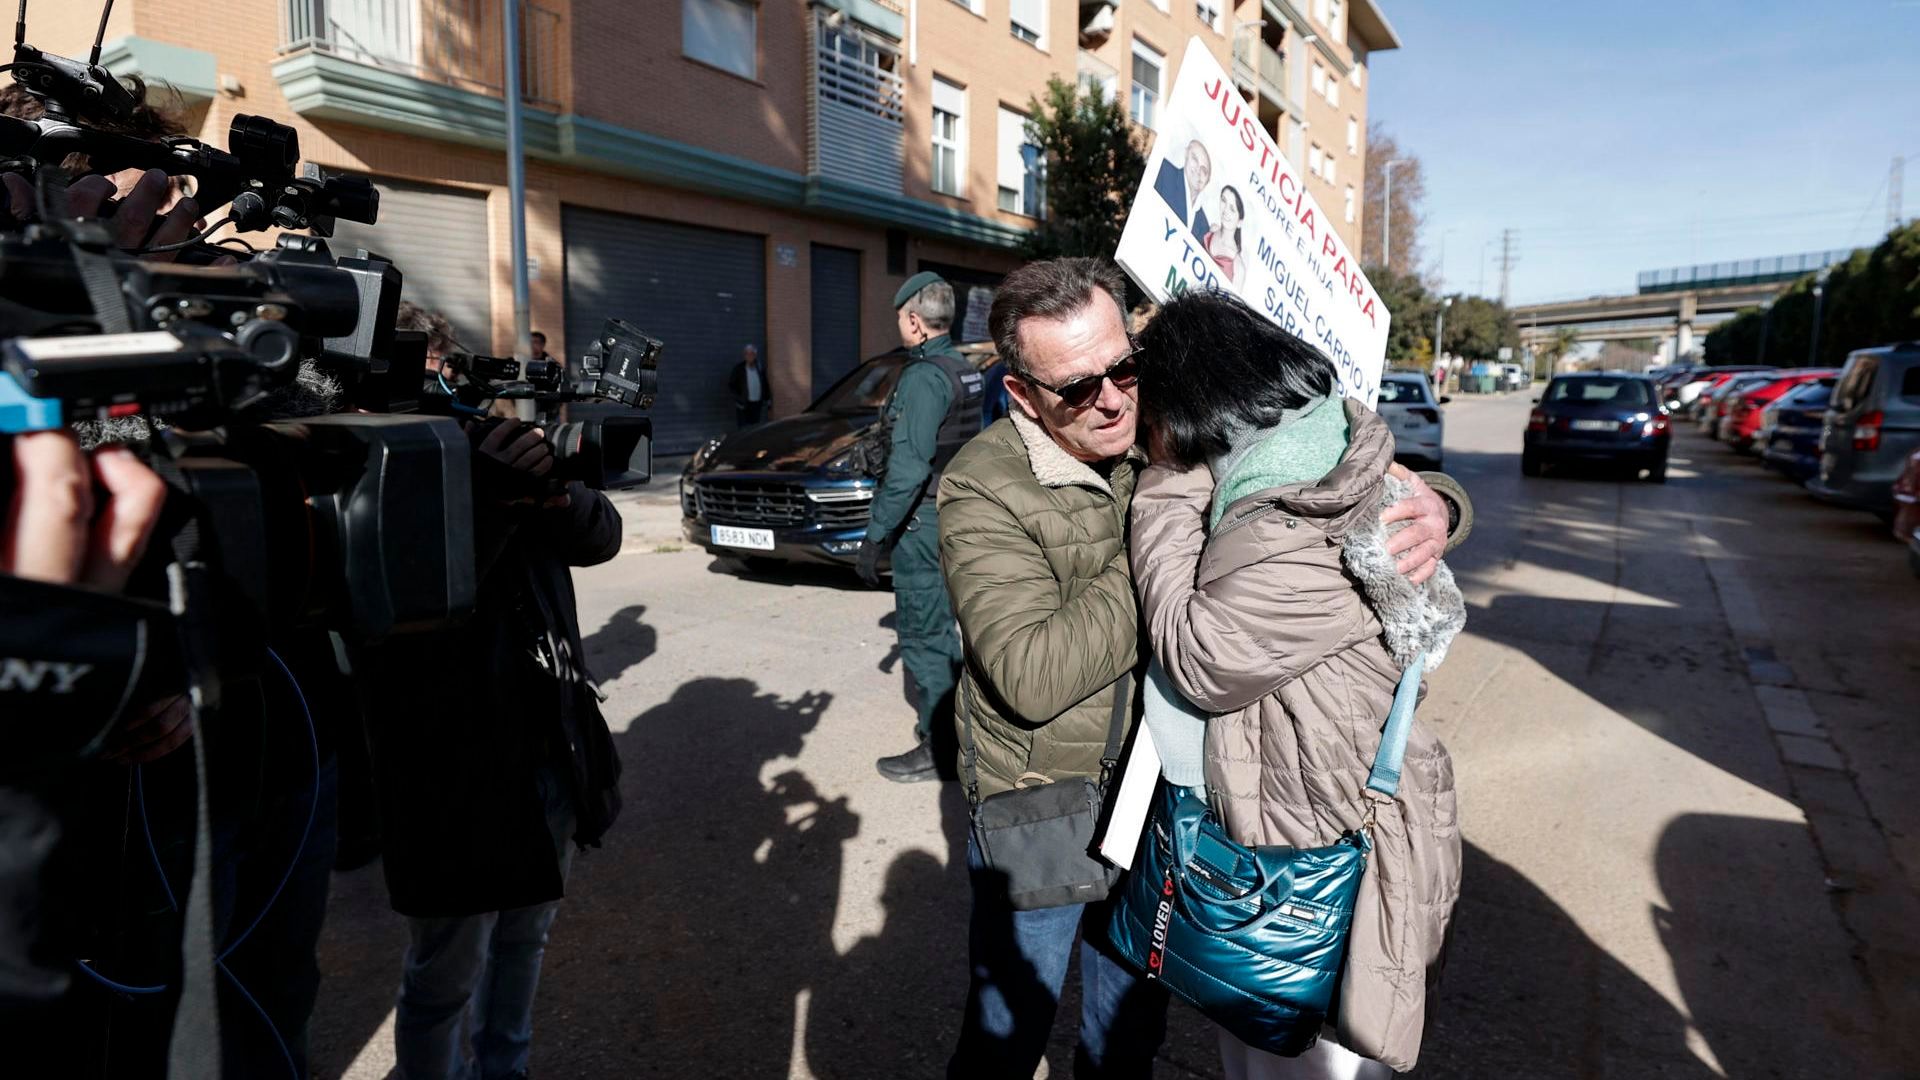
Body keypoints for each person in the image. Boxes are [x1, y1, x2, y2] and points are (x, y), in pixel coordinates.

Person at [936, 257, 1452, 1077]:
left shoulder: (1165, 421)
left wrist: (1439, 501)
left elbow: (1315, 449)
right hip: (1045, 805)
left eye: (1123, 368)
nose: (1111, 400)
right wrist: (1162, 538)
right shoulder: (981, 486)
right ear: (1021, 394)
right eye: (1076, 388)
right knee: (1009, 1032)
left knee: (1127, 1036)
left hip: (1161, 805)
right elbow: (1028, 674)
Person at [1128, 289, 1465, 1078]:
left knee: (1308, 1058)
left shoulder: (1296, 520)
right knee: (1266, 1046)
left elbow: (1201, 656)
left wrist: (1167, 486)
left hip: (1318, 844)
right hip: (1299, 808)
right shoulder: (1305, 458)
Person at [351, 413, 624, 1080]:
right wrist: (484, 494)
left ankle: (505, 1070)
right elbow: (396, 600)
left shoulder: (517, 460)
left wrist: (555, 488)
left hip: (550, 740)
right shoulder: (377, 460)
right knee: (446, 972)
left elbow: (601, 537)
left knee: (525, 940)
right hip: (451, 766)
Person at [862, 272, 980, 783]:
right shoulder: (964, 369)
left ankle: (940, 749)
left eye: (899, 320)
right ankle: (956, 731)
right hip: (954, 512)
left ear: (914, 321)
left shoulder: (925, 376)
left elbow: (910, 467)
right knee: (948, 633)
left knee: (925, 632)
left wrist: (874, 534)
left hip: (922, 522)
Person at [1152, 140, 1213, 240]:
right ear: (1186, 154)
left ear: (1207, 181)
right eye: (1195, 159)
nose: (1198, 170)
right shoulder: (1162, 171)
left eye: (1204, 170)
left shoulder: (1204, 226)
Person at [1203, 185, 1248, 289]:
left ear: (1239, 222)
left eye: (1232, 209)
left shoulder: (1238, 267)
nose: (1225, 211)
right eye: (1223, 200)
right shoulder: (1210, 230)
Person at [729, 344, 771, 428]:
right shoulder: (739, 369)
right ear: (744, 355)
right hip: (744, 404)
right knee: (743, 428)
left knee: (755, 426)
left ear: (755, 355)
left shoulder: (759, 368)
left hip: (757, 403)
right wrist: (738, 400)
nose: (749, 356)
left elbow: (765, 383)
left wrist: (768, 398)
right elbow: (731, 386)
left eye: (752, 354)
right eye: (747, 354)